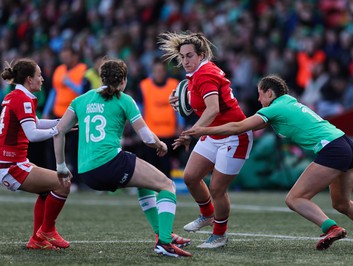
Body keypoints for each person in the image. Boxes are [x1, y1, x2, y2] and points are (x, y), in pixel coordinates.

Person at [183, 74, 353, 250]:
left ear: (270, 93)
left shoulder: (273, 109)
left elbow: (238, 127)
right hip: (346, 143)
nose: (258, 99)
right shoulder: (288, 103)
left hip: (333, 149)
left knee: (294, 198)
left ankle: (331, 228)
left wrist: (203, 130)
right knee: (341, 203)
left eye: (260, 93)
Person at [53, 58, 192, 257]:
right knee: (166, 185)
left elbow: (58, 132)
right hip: (110, 163)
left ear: (101, 78)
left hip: (86, 173)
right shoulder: (124, 99)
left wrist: (61, 166)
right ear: (124, 79)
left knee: (146, 183)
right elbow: (145, 137)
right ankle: (165, 243)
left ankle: (163, 233)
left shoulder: (80, 100)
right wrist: (160, 144)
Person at [158, 31, 253, 248]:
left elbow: (213, 108)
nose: (185, 61)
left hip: (234, 136)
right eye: (182, 57)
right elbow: (200, 104)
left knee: (217, 189)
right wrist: (182, 101)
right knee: (191, 177)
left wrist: (193, 131)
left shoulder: (205, 74)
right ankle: (208, 215)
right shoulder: (195, 75)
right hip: (214, 131)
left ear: (201, 55)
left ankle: (219, 235)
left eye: (189, 56)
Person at [0, 58, 71, 250]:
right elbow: (32, 134)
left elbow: (36, 123)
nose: (42, 79)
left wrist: (62, 122)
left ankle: (37, 239)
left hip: (12, 162)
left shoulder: (15, 96)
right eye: (39, 75)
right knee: (63, 182)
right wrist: (57, 131)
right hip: (11, 166)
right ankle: (47, 231)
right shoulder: (22, 99)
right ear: (29, 79)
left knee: (47, 189)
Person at [43, 46, 88, 191]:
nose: (65, 59)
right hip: (58, 115)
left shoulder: (83, 69)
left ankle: (76, 181)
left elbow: (84, 92)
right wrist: (46, 111)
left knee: (75, 148)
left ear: (75, 56)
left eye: (67, 55)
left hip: (75, 116)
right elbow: (54, 92)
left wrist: (69, 83)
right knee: (53, 147)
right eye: (63, 56)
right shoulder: (59, 69)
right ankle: (52, 177)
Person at [137, 57, 183, 178]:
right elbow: (139, 109)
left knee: (166, 166)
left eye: (161, 70)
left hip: (169, 132)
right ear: (152, 71)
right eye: (156, 70)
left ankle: (167, 191)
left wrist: (180, 124)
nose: (159, 73)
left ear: (165, 71)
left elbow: (179, 108)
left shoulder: (174, 85)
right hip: (151, 133)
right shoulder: (144, 85)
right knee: (151, 165)